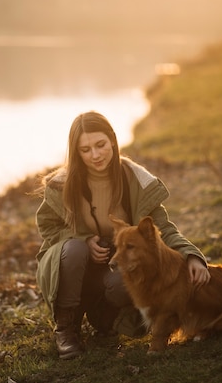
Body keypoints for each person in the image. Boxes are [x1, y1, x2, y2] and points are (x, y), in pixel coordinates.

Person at [35, 111, 211, 359]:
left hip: (117, 266)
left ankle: (105, 318)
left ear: (113, 141)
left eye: (100, 145)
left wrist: (192, 256)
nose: (95, 155)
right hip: (74, 265)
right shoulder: (62, 184)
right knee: (75, 250)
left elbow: (163, 229)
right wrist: (83, 238)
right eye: (85, 150)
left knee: (123, 285)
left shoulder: (135, 180)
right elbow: (48, 227)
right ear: (76, 151)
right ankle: (66, 328)